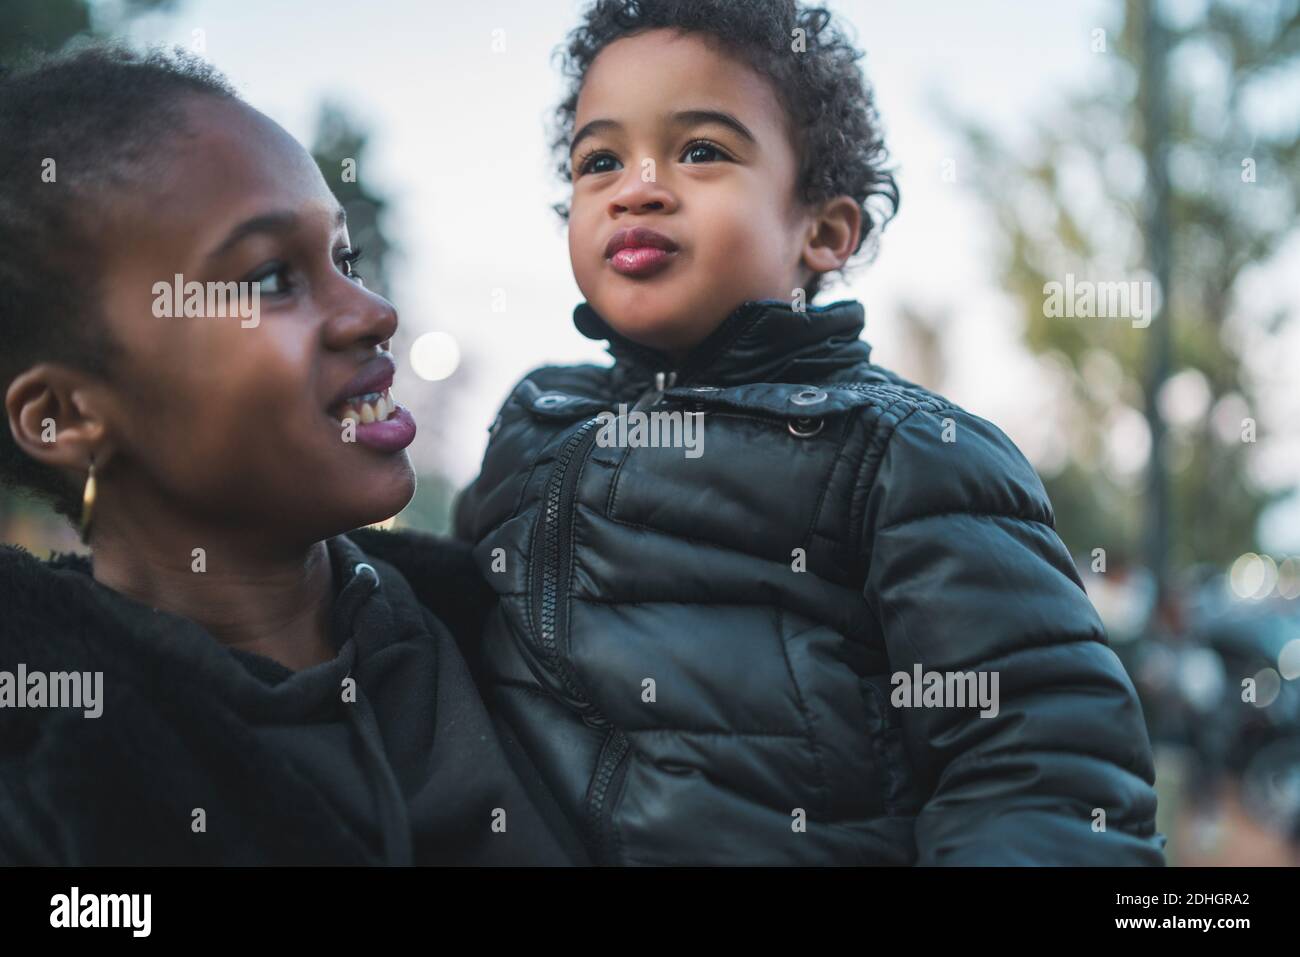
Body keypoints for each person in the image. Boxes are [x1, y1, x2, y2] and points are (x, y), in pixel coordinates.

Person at [453, 0, 1167, 865]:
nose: (636, 185)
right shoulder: (536, 424)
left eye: (701, 150)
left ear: (823, 230)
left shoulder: (903, 452)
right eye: (599, 160)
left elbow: (1042, 766)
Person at [0, 45, 585, 865]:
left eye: (343, 258)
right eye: (273, 276)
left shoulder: (546, 622)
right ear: (64, 415)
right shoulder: (48, 794)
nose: (374, 311)